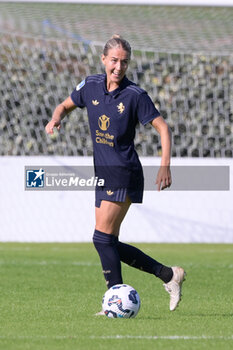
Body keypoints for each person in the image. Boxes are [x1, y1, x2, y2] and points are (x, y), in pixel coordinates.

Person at [45, 35, 186, 313]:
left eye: (124, 62)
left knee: (101, 239)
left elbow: (163, 128)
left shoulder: (135, 95)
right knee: (107, 242)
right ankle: (169, 275)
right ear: (103, 60)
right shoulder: (91, 85)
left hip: (125, 172)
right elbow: (64, 105)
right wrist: (56, 118)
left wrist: (165, 164)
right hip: (104, 174)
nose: (119, 67)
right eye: (114, 60)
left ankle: (116, 300)